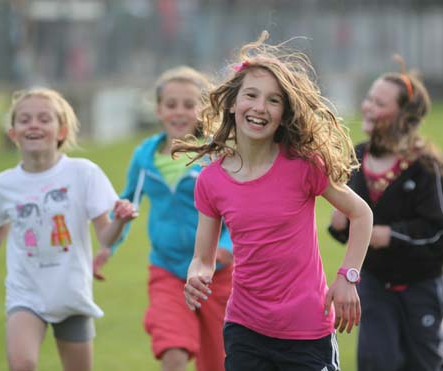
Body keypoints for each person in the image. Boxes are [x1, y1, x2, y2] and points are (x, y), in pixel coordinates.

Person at [174, 31, 373, 371]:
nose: (259, 108)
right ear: (233, 103)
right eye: (251, 95)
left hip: (307, 331)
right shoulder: (211, 180)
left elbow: (361, 213)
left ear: (284, 112)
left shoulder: (303, 166)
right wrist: (197, 275)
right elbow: (202, 258)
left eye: (273, 100)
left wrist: (347, 276)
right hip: (245, 329)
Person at [93, 66, 233, 371]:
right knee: (173, 348)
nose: (179, 112)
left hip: (216, 275)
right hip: (167, 271)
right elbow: (126, 207)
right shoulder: (145, 158)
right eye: (171, 105)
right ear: (158, 110)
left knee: (219, 362)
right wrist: (108, 249)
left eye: (189, 104)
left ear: (204, 110)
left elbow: (238, 211)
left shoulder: (217, 156)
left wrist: (225, 247)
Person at [0, 88, 137, 371]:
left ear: (61, 131)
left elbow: (106, 237)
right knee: (21, 364)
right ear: (13, 133)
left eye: (44, 118)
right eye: (24, 119)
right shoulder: (1, 186)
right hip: (26, 295)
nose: (33, 124)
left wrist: (120, 220)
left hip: (71, 294)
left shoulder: (84, 173)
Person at [328, 56, 443, 371]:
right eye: (368, 98)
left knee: (423, 363)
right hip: (374, 284)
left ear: (403, 117)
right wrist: (338, 226)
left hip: (421, 286)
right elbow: (349, 228)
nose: (367, 106)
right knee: (376, 360)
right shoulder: (357, 157)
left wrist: (390, 235)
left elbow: (435, 232)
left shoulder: (425, 167)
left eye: (379, 103)